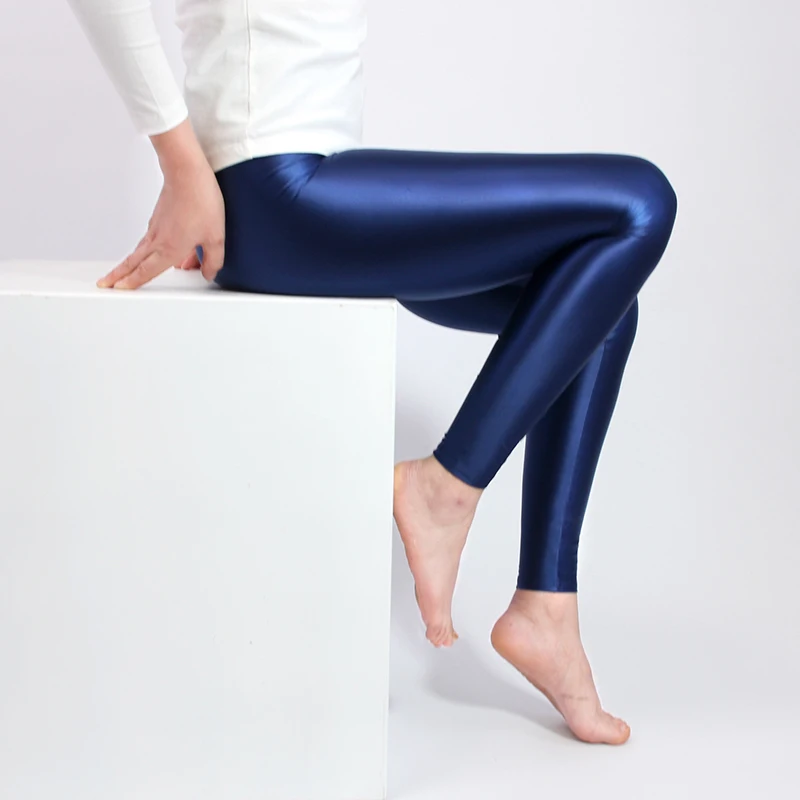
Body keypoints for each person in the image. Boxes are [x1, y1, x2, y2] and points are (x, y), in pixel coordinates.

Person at [66, 0, 677, 746]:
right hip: (279, 193)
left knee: (603, 308)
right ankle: (444, 487)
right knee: (638, 201)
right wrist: (182, 164)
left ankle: (545, 606)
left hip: (322, 196)